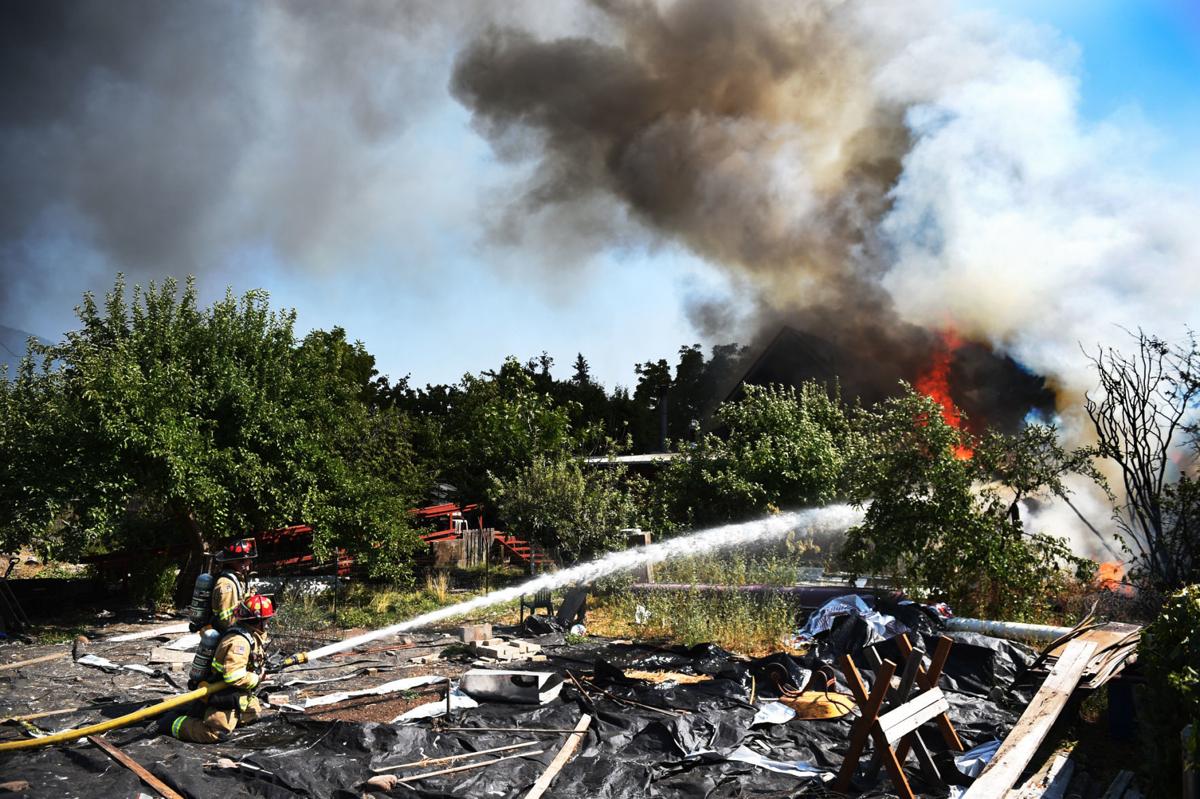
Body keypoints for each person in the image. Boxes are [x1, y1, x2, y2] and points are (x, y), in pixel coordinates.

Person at [160, 594, 273, 743]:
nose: (268, 623)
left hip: (234, 690)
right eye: (267, 620)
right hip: (221, 692)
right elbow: (233, 676)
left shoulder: (250, 635)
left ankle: (194, 711)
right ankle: (173, 723)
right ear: (259, 621)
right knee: (216, 733)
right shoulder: (240, 642)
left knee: (254, 713)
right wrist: (256, 678)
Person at [210, 538, 256, 632]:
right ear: (240, 562)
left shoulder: (239, 578)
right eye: (249, 559)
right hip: (226, 632)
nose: (251, 562)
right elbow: (227, 621)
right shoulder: (227, 585)